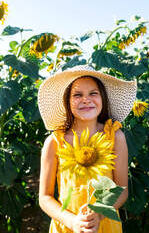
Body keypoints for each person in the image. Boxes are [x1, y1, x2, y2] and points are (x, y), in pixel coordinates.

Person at [38, 65, 137, 233]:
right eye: (77, 95)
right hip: (67, 225)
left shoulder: (115, 137)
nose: (86, 99)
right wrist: (72, 221)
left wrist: (98, 215)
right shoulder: (55, 142)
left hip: (105, 223)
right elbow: (45, 197)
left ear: (102, 98)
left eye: (93, 93)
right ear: (67, 101)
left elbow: (122, 190)